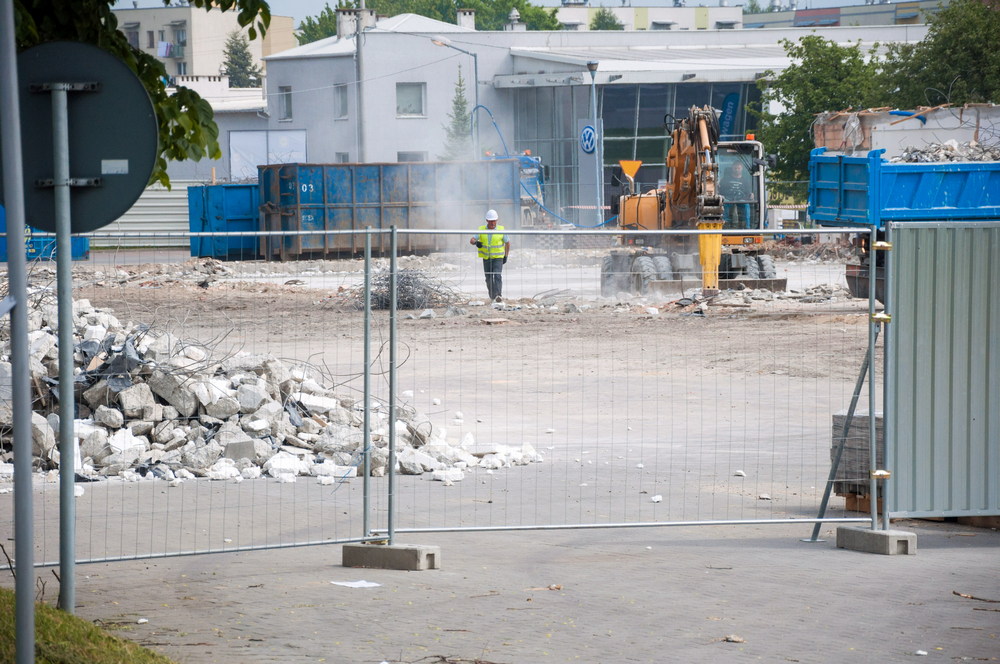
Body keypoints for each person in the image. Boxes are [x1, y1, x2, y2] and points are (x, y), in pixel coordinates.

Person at [469, 208, 510, 302]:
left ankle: (498, 296)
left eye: (494, 221)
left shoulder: (501, 230)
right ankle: (492, 296)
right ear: (487, 220)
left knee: (497, 275)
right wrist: (476, 243)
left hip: (498, 258)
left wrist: (506, 256)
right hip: (487, 258)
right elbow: (471, 240)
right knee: (488, 278)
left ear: (497, 220)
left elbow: (507, 243)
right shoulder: (481, 229)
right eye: (491, 221)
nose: (492, 223)